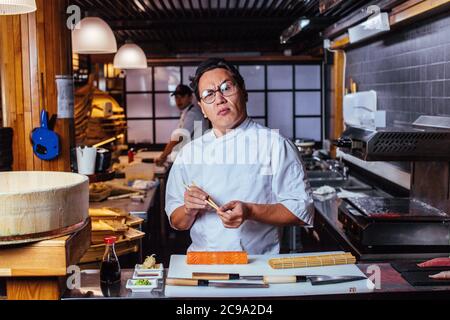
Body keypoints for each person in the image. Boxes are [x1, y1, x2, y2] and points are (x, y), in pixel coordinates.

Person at [165, 58, 314, 254]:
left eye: (226, 88)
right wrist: (188, 210)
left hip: (259, 267)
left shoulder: (275, 145)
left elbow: (302, 211)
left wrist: (251, 211)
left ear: (244, 92)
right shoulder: (190, 153)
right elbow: (177, 222)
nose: (219, 99)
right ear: (202, 108)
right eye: (208, 94)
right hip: (204, 266)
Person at [156, 84, 207, 165]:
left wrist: (163, 156)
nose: (178, 100)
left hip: (198, 158)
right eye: (176, 97)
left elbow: (179, 137)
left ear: (190, 98)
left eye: (182, 96)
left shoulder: (193, 114)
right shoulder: (186, 113)